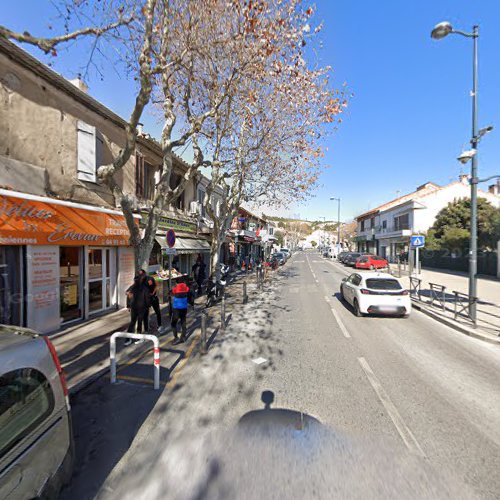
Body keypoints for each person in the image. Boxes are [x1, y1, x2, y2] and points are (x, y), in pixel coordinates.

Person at [125, 274, 151, 346]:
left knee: (132, 322)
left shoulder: (132, 288)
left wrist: (128, 306)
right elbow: (147, 298)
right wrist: (148, 306)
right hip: (142, 308)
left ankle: (128, 339)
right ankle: (139, 338)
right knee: (139, 322)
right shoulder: (144, 288)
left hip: (134, 307)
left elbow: (128, 296)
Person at [139, 269, 165, 334]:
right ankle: (146, 329)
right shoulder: (138, 281)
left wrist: (153, 292)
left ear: (145, 274)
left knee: (157, 311)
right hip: (145, 299)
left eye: (142, 274)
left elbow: (156, 285)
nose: (141, 276)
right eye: (140, 275)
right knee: (145, 314)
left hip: (153, 298)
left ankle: (160, 325)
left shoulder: (150, 278)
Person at [170, 279, 194, 344]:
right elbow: (191, 295)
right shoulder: (187, 288)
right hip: (184, 308)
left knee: (173, 324)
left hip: (176, 309)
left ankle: (176, 338)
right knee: (183, 322)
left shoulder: (175, 289)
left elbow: (170, 293)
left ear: (177, 283)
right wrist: (192, 304)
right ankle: (183, 337)